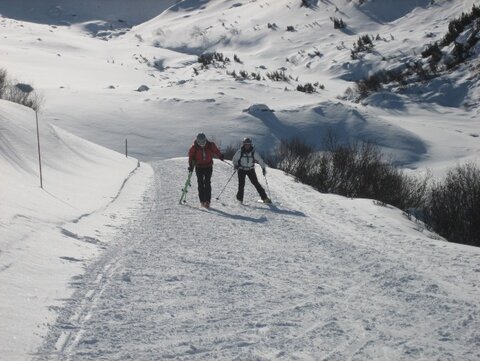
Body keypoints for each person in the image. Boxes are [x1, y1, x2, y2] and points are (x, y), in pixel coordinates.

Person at [188, 133, 224, 208]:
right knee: (200, 183)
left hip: (208, 166)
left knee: (207, 183)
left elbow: (216, 151)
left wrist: (220, 156)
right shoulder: (194, 147)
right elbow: (191, 157)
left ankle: (207, 201)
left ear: (205, 139)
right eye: (200, 142)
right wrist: (191, 165)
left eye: (203, 141)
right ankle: (202, 201)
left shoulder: (210, 145)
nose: (202, 143)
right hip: (199, 167)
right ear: (197, 141)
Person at [232, 137, 271, 204]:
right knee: (241, 185)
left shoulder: (254, 153)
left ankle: (264, 198)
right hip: (241, 169)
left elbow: (260, 160)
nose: (247, 145)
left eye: (248, 144)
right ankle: (239, 199)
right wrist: (236, 165)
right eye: (246, 144)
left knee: (256, 183)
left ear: (250, 145)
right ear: (243, 144)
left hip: (250, 170)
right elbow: (234, 160)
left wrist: (263, 168)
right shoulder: (239, 152)